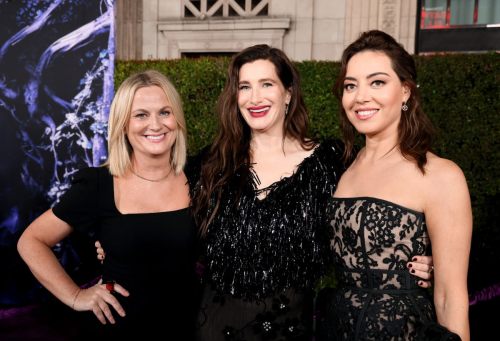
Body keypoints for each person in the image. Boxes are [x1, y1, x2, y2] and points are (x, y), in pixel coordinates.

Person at [96, 45, 435, 340]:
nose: (255, 97)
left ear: (288, 93)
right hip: (212, 326)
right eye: (245, 86)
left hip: (292, 329)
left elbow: (373, 215)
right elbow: (157, 211)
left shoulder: (331, 163)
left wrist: (425, 260)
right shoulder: (209, 167)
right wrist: (111, 242)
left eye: (266, 84)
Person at [17, 70, 198, 340]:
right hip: (120, 331)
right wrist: (76, 296)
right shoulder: (99, 185)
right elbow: (31, 241)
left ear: (177, 119)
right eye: (141, 115)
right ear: (123, 124)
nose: (156, 125)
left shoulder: (200, 176)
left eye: (165, 112)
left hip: (191, 328)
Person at [325, 30, 472, 340]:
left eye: (377, 82)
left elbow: (450, 297)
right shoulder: (338, 167)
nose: (361, 96)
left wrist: (436, 267)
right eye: (351, 85)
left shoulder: (440, 175)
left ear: (406, 90)